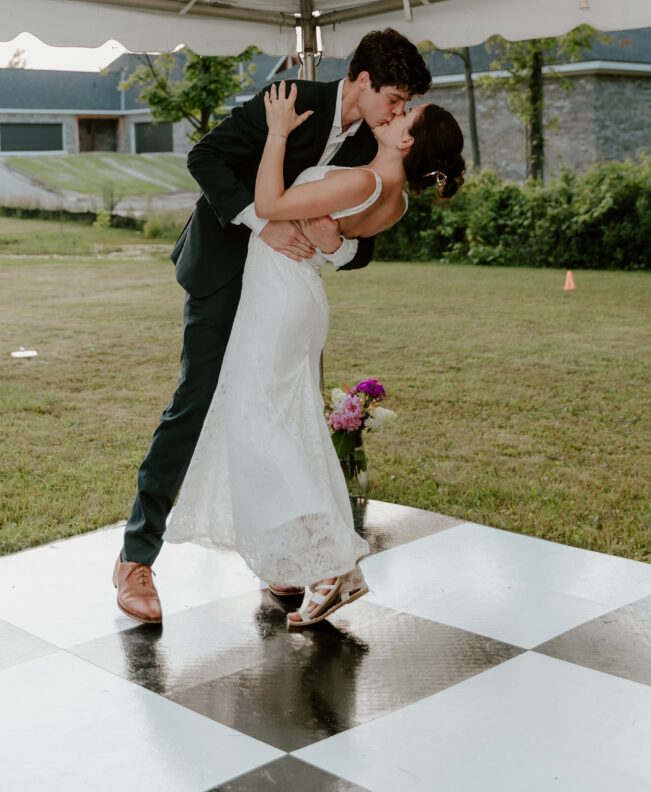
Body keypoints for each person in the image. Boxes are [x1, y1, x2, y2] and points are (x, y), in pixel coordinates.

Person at [113, 28, 433, 624]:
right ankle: (136, 558)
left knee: (282, 416)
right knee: (197, 402)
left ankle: (287, 560)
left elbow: (363, 238)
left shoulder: (379, 142)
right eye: (395, 96)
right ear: (362, 81)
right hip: (225, 274)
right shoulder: (290, 98)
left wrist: (334, 245)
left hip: (287, 292)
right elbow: (204, 156)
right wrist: (264, 225)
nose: (399, 111)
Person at [163, 82, 465, 628]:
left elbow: (270, 206)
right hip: (294, 298)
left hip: (279, 300)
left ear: (407, 141)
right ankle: (312, 556)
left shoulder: (364, 178)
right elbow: (339, 243)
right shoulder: (391, 198)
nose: (396, 114)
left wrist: (277, 132)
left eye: (406, 115)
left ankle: (330, 561)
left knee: (263, 425)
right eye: (399, 104)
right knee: (283, 423)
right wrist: (336, 242)